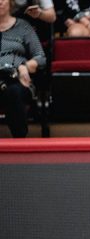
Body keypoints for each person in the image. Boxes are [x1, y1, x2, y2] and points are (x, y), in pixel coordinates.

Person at [0, 0, 46, 138]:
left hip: (16, 80)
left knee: (13, 92)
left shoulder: (23, 26)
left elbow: (40, 56)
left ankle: (19, 140)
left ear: (10, 3)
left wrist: (25, 67)